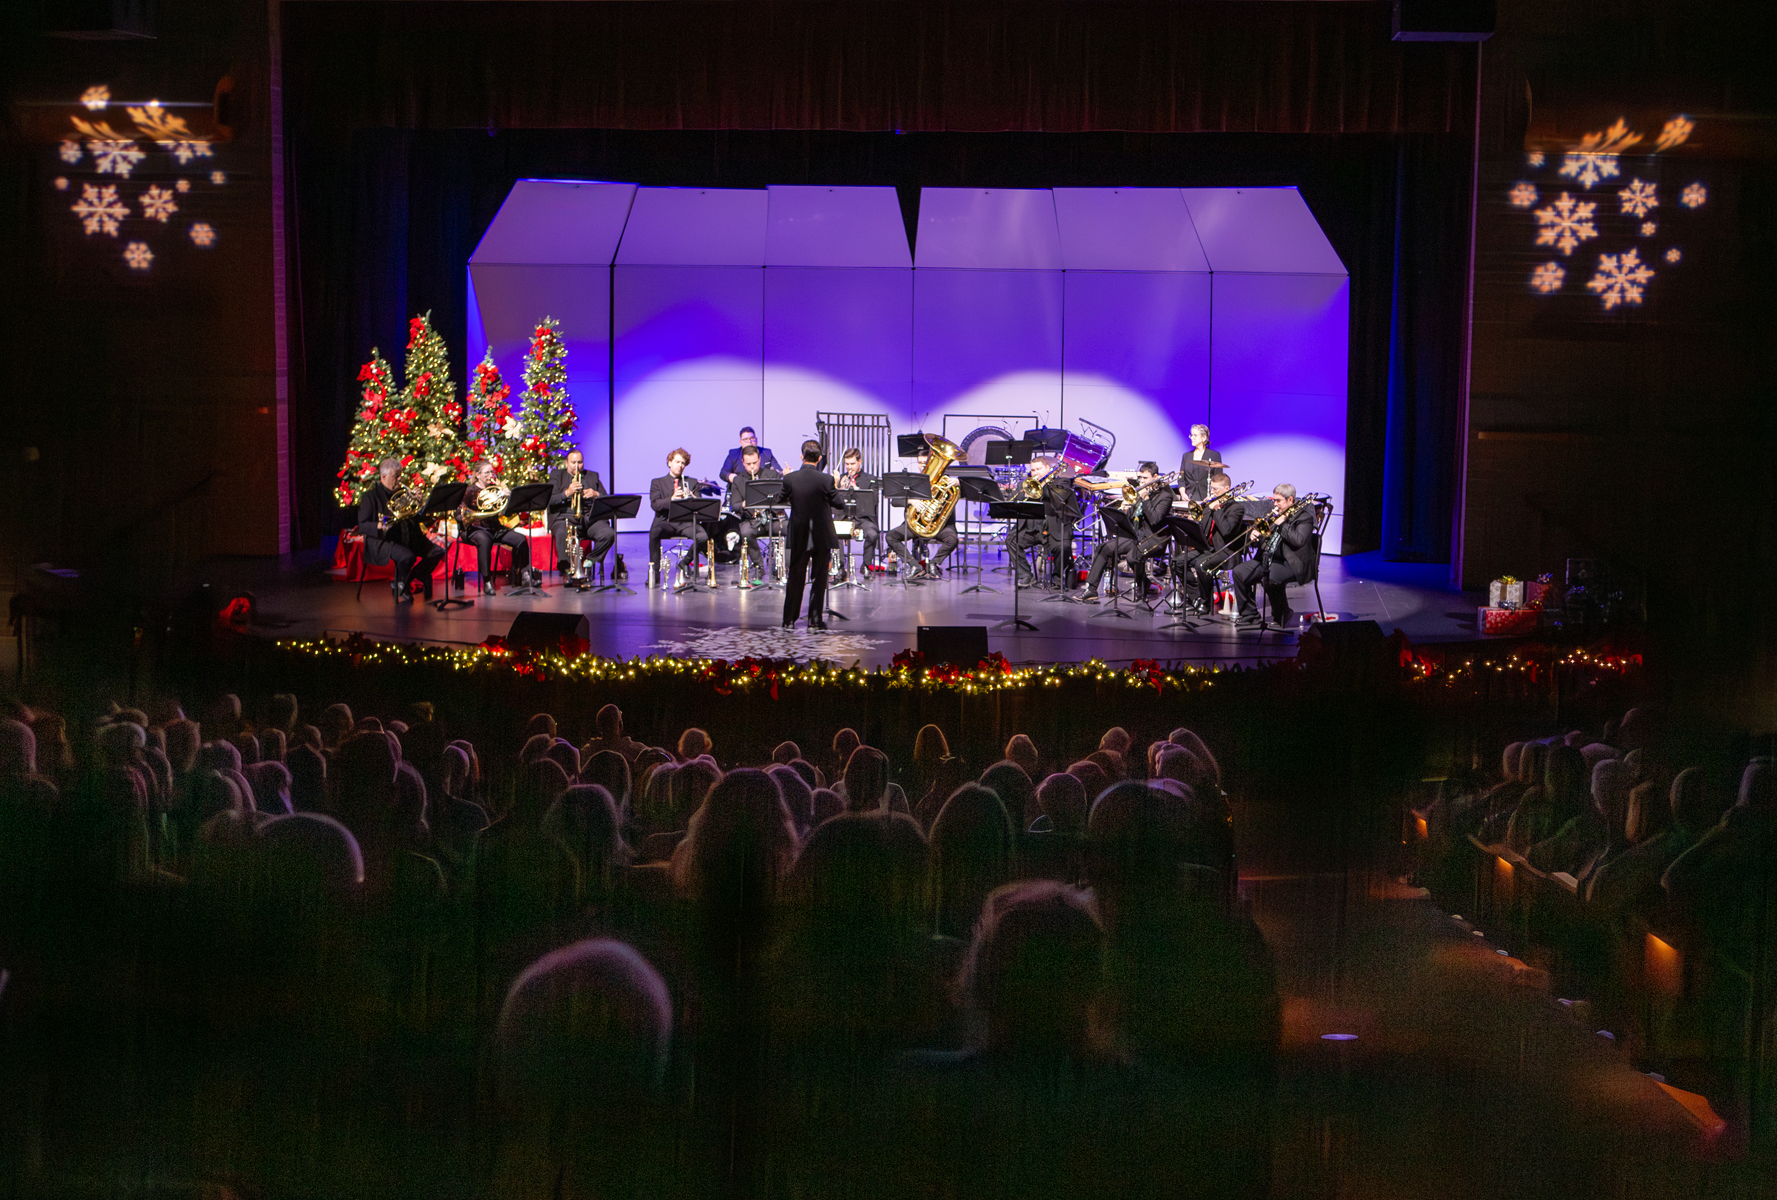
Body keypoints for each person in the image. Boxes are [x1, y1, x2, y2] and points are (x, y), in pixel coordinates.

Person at [777, 439, 846, 630]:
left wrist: (786, 478)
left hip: (799, 534)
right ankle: (814, 620)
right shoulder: (826, 479)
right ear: (820, 458)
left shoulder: (790, 479)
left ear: (802, 457)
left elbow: (780, 499)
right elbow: (839, 504)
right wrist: (836, 484)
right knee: (819, 578)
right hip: (821, 534)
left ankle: (788, 620)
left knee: (795, 577)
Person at [357, 456, 445, 603]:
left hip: (406, 536)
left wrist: (419, 503)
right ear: (383, 476)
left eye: (400, 476)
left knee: (437, 552)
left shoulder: (403, 494)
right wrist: (379, 525)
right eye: (395, 477)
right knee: (407, 556)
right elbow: (362, 525)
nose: (399, 480)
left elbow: (416, 518)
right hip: (382, 540)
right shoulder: (370, 497)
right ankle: (401, 583)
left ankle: (405, 580)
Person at [1081, 462, 1173, 602]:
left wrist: (1146, 499)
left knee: (1132, 557)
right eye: (1140, 478)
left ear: (1155, 477)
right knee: (1104, 548)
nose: (1141, 481)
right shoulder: (1139, 492)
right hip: (1136, 536)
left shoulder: (1165, 496)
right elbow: (1131, 519)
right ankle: (1091, 590)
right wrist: (1125, 511)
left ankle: (1142, 586)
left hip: (1154, 538)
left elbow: (1155, 520)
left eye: (1145, 478)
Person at [1230, 483, 1315, 628]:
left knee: (1270, 577)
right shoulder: (1275, 515)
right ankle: (1250, 614)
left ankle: (1282, 613)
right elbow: (1266, 540)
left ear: (1290, 500)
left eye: (1278, 501)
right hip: (1268, 558)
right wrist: (1256, 536)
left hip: (1290, 562)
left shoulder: (1304, 517)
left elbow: (1299, 541)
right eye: (1274, 500)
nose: (1275, 504)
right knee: (1239, 572)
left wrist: (1282, 524)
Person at [884, 443, 958, 580]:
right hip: (916, 525)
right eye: (920, 462)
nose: (922, 465)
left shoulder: (946, 481)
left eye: (925, 462)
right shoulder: (912, 481)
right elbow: (894, 501)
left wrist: (959, 484)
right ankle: (914, 566)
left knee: (952, 540)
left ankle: (934, 564)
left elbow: (965, 492)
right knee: (891, 536)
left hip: (939, 526)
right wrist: (910, 501)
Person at [461, 461, 533, 595]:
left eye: (491, 472)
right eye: (486, 473)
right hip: (476, 528)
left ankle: (524, 574)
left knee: (521, 539)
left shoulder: (495, 489)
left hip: (494, 527)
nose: (490, 476)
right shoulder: (470, 491)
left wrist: (508, 498)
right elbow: (460, 513)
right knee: (484, 541)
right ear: (478, 475)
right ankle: (487, 581)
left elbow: (506, 512)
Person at [1179, 473, 1246, 613]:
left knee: (1201, 565)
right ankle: (1196, 597)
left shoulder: (1236, 508)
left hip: (1226, 550)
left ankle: (1206, 602)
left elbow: (1227, 531)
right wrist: (1205, 511)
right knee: (1177, 563)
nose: (1212, 492)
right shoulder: (1211, 506)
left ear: (1226, 489)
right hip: (1208, 548)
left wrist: (1217, 509)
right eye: (1211, 488)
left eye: (1215, 489)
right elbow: (1204, 529)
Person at [647, 448, 714, 586]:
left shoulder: (692, 482)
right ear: (669, 463)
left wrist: (692, 498)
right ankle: (655, 573)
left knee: (703, 537)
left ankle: (684, 562)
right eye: (677, 462)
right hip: (666, 521)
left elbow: (701, 505)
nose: (680, 465)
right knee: (654, 532)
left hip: (685, 522)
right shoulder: (657, 482)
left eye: (683, 463)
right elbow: (655, 505)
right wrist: (671, 499)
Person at [547, 449, 615, 579]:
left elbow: (606, 498)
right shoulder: (557, 476)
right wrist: (567, 493)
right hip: (564, 517)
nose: (577, 466)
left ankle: (589, 562)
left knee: (609, 534)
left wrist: (596, 494)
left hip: (589, 518)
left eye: (580, 462)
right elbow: (549, 499)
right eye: (573, 463)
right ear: (566, 463)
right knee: (561, 533)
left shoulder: (593, 476)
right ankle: (567, 569)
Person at [730, 446, 783, 588]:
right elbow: (734, 505)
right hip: (751, 519)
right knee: (746, 533)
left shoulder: (772, 475)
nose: (752, 467)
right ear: (743, 462)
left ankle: (784, 567)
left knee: (789, 528)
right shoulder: (738, 480)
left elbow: (781, 497)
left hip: (771, 518)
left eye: (754, 462)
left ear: (759, 459)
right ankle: (759, 566)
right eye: (748, 464)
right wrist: (743, 504)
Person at [1004, 457, 1053, 587]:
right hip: (1028, 530)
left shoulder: (1054, 485)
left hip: (1047, 529)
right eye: (1033, 470)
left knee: (1060, 545)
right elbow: (1010, 502)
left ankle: (1058, 577)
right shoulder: (1024, 485)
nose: (1036, 473)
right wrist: (1023, 495)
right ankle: (1026, 575)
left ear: (1047, 468)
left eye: (1039, 469)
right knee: (1011, 540)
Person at [833, 448, 882, 569]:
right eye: (847, 464)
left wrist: (857, 490)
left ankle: (866, 565)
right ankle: (840, 566)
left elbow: (874, 501)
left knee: (872, 534)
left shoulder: (870, 479)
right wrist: (839, 487)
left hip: (863, 518)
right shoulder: (840, 478)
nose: (849, 467)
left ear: (860, 461)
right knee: (833, 531)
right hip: (844, 517)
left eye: (853, 464)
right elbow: (833, 502)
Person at [1178, 423, 1224, 502]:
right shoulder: (1186, 456)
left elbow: (1218, 479)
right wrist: (1183, 494)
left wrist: (1212, 496)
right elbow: (1181, 479)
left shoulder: (1214, 455)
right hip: (1189, 496)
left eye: (1195, 435)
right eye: (1191, 435)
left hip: (1206, 497)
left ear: (1204, 437)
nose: (1192, 438)